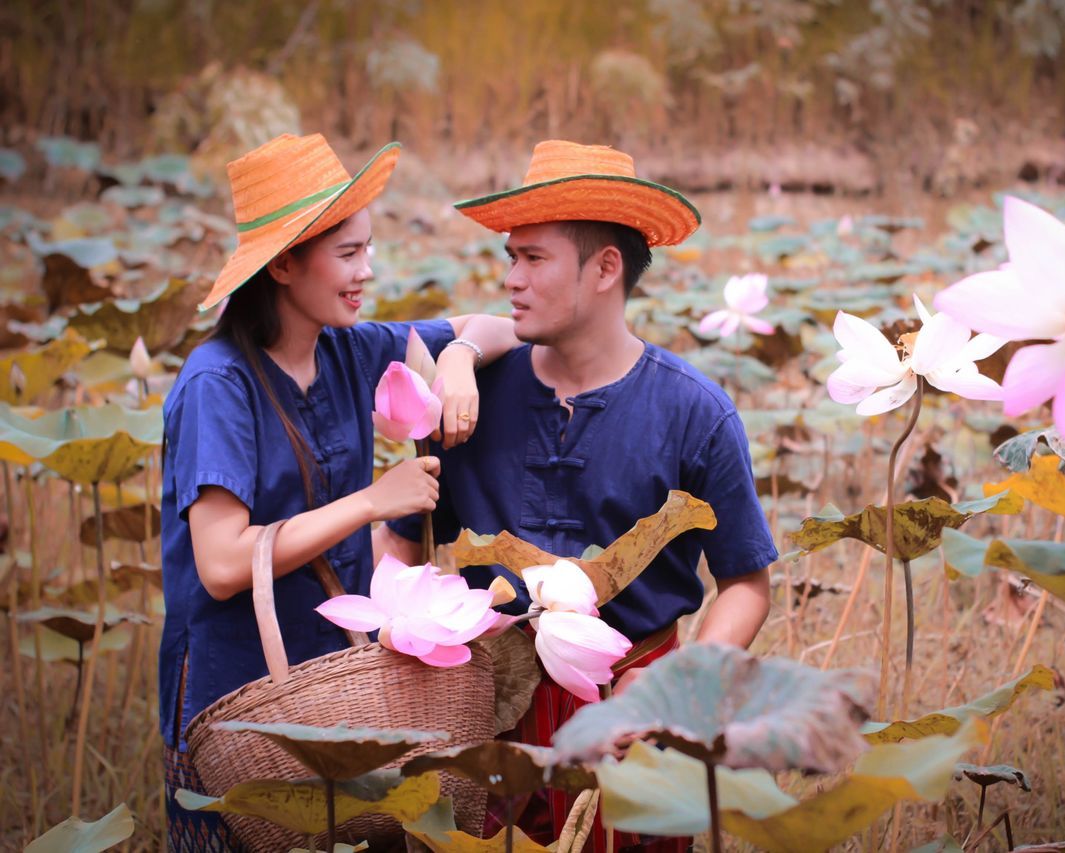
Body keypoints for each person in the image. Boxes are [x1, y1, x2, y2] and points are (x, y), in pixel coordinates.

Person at [376, 140, 776, 850]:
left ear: (605, 268)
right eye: (510, 258)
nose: (511, 279)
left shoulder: (695, 412)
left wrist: (676, 688)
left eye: (533, 259)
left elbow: (746, 582)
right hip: (490, 721)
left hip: (636, 717)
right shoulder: (467, 400)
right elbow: (403, 540)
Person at [159, 133, 517, 851]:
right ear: (284, 264)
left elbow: (503, 325)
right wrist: (371, 502)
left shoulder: (349, 349)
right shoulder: (217, 384)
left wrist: (457, 356)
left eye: (368, 250)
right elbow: (222, 563)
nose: (367, 271)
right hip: (237, 694)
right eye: (349, 254)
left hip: (339, 680)